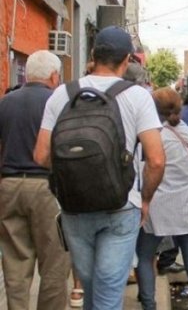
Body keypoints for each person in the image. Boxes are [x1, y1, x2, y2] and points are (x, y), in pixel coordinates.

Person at [33, 26, 166, 310]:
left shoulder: (61, 94)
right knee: (108, 296)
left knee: (91, 289)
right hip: (121, 207)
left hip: (74, 208)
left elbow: (41, 155)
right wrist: (145, 199)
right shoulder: (138, 96)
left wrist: (73, 174)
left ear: (93, 55)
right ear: (127, 59)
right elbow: (156, 160)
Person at [136, 87, 188, 310]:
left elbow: (140, 175)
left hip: (156, 210)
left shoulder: (148, 140)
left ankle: (148, 306)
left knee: (144, 258)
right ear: (181, 108)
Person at [0, 50, 70, 310]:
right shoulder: (58, 103)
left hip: (9, 185)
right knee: (54, 262)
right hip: (47, 189)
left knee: (15, 262)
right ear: (54, 76)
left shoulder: (5, 102)